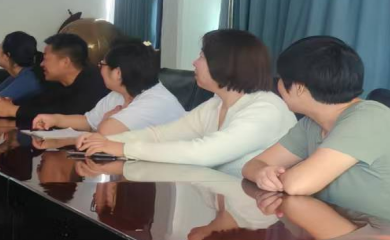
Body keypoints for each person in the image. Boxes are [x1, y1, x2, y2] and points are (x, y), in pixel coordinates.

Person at [241, 36, 390, 235]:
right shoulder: (311, 124)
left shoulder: (368, 118)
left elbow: (298, 185)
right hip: (358, 233)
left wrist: (276, 177)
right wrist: (262, 173)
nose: (277, 85)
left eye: (281, 78)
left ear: (299, 88)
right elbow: (253, 165)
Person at [76, 29, 295, 175]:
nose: (194, 62)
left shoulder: (265, 109)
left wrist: (122, 147)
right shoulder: (216, 105)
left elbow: (202, 152)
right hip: (224, 204)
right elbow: (160, 135)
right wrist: (103, 142)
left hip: (260, 217)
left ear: (224, 64)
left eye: (201, 57)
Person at [31, 39, 184, 135]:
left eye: (102, 64)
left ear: (117, 73)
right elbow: (89, 122)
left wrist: (106, 120)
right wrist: (55, 119)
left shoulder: (154, 101)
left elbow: (106, 132)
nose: (99, 69)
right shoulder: (120, 94)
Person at [0, 33, 108, 127]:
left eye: (45, 58)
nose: (41, 64)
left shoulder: (94, 82)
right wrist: (9, 104)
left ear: (65, 62)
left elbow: (67, 112)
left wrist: (12, 110)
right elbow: (42, 104)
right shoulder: (56, 82)